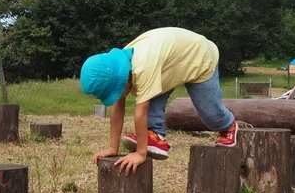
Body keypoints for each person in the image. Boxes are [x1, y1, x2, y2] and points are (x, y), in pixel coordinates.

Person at [80, 27, 238, 175]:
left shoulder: (143, 68)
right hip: (168, 64)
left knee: (209, 114)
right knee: (150, 97)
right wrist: (112, 148)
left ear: (121, 80)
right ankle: (155, 135)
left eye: (116, 93)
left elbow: (140, 113)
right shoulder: (121, 65)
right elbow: (117, 109)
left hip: (199, 56)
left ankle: (228, 126)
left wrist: (140, 154)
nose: (116, 98)